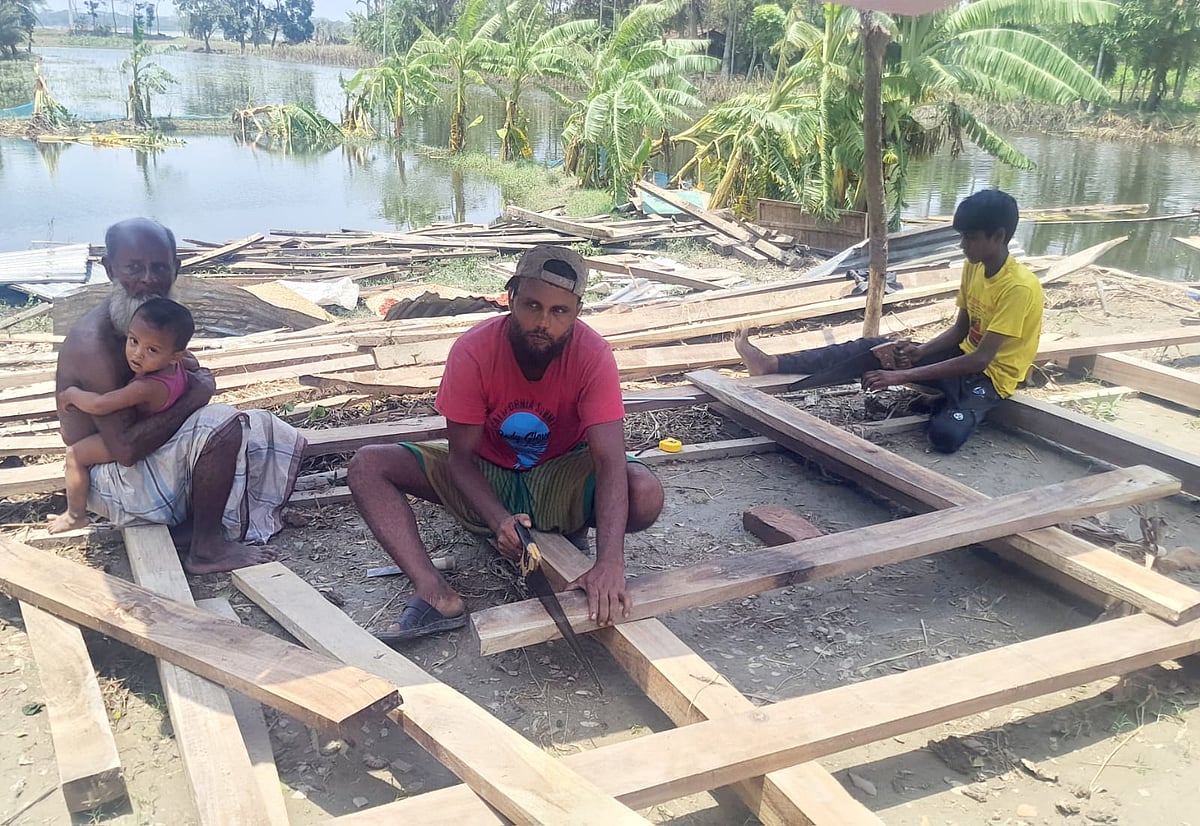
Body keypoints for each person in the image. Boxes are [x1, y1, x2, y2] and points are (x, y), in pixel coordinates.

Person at [349, 244, 665, 642]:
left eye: (559, 312)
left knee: (645, 491)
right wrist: (499, 519)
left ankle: (569, 521)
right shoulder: (473, 350)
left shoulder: (593, 355)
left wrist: (610, 562)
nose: (543, 323)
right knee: (367, 466)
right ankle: (436, 594)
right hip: (488, 470)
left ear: (576, 313)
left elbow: (609, 462)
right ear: (511, 298)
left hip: (559, 471)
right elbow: (461, 458)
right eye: (532, 305)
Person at [56, 218, 306, 573]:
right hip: (111, 478)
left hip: (140, 456)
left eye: (159, 267)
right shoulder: (95, 344)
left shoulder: (154, 324)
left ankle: (189, 528)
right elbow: (125, 451)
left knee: (259, 425)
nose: (148, 279)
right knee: (221, 424)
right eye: (134, 268)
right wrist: (196, 396)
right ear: (109, 269)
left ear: (176, 268)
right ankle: (206, 550)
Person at [735, 189, 1043, 453]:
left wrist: (901, 377)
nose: (964, 246)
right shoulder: (974, 266)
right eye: (962, 238)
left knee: (945, 437)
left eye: (971, 239)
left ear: (999, 236)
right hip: (961, 359)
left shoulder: (1018, 288)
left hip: (989, 379)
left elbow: (980, 360)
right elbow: (961, 330)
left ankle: (946, 399)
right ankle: (772, 364)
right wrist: (917, 354)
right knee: (875, 348)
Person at [49, 298, 196, 533]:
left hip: (146, 438)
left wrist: (72, 395)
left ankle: (75, 515)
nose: (137, 354)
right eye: (133, 340)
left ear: (175, 355)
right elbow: (193, 363)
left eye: (152, 350)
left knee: (75, 455)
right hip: (165, 429)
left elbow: (100, 404)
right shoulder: (178, 364)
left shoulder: (146, 387)